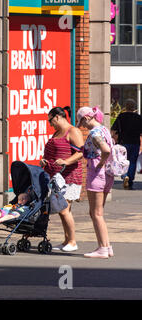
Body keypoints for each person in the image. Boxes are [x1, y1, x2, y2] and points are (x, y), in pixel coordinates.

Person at [39, 106, 83, 252]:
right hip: (57, 178)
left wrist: (66, 161)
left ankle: (72, 241)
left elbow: (82, 152)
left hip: (69, 177)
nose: (50, 124)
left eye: (50, 120)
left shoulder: (73, 131)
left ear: (57, 117)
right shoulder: (57, 133)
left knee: (64, 209)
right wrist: (45, 161)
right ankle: (66, 241)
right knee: (61, 210)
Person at [77, 106, 114, 259]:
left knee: (95, 213)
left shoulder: (94, 133)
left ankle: (102, 248)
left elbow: (105, 150)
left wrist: (100, 164)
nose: (83, 126)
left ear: (86, 118)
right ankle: (106, 246)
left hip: (97, 173)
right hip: (108, 174)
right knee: (98, 213)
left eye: (82, 123)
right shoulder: (104, 129)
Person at [111, 99, 142, 190]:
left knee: (122, 160)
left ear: (126, 107)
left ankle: (125, 176)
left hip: (123, 143)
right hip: (135, 143)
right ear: (134, 107)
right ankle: (130, 180)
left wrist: (112, 138)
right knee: (132, 162)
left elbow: (114, 129)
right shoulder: (139, 118)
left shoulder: (121, 116)